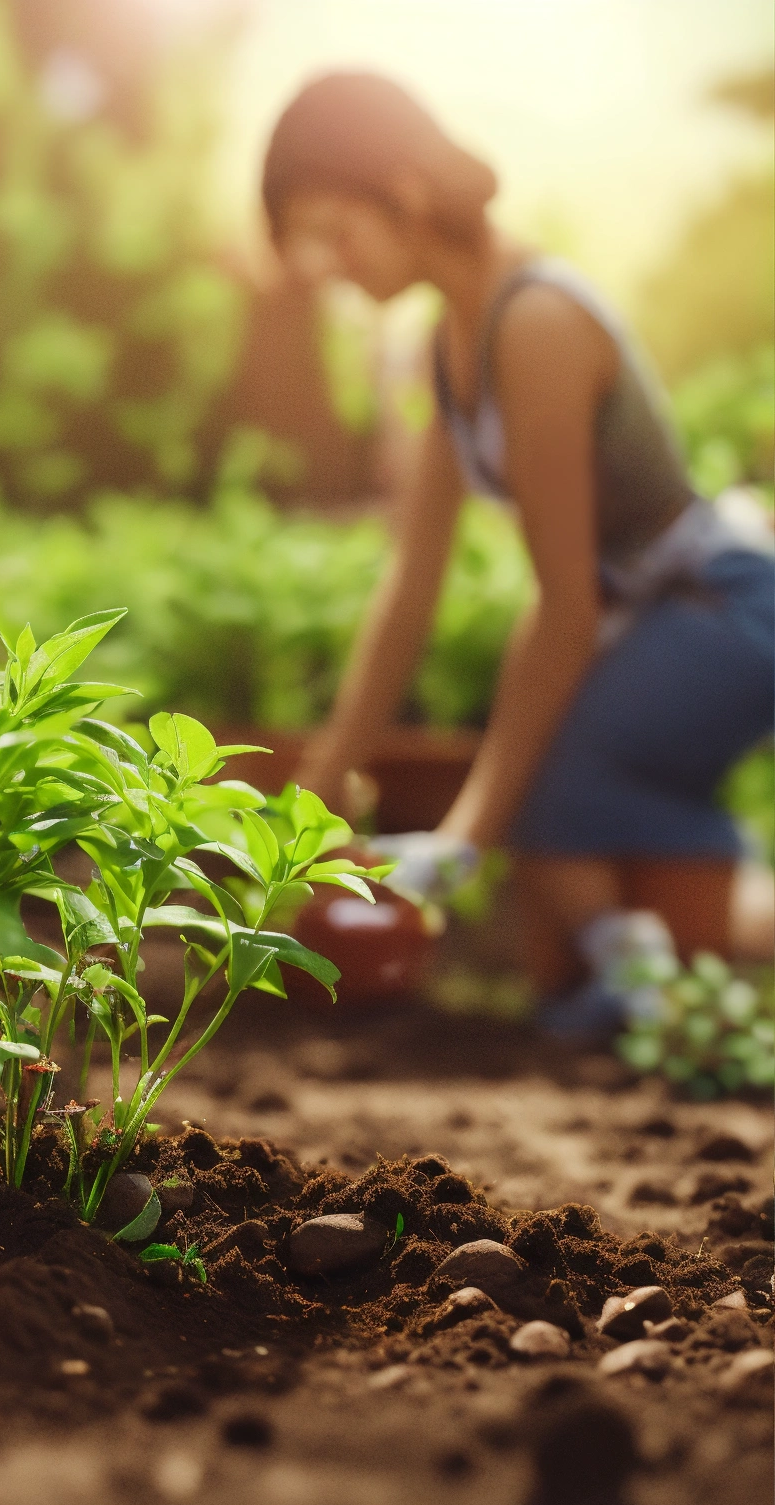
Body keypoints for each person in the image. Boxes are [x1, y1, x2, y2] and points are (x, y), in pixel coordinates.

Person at [263, 72, 775, 1037]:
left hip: (729, 608)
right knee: (546, 859)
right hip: (658, 616)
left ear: (405, 191)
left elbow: (566, 605)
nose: (332, 265)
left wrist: (462, 841)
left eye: (338, 231)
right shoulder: (446, 346)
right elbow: (410, 588)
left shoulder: (536, 324)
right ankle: (640, 965)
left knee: (536, 774)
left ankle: (649, 973)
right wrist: (317, 795)